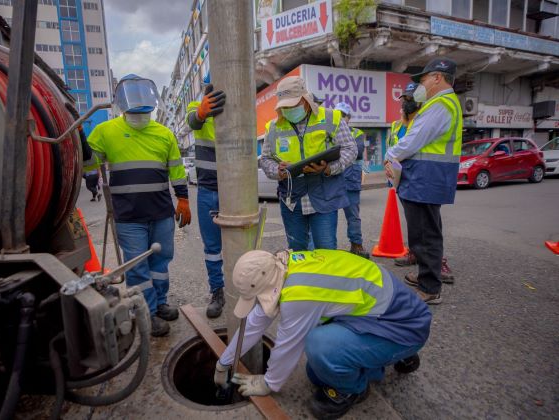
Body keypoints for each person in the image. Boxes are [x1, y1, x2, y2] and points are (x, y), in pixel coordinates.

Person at [214, 249, 431, 419]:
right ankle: (387, 354)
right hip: (388, 312)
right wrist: (223, 363)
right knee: (317, 372)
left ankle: (353, 389)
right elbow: (255, 323)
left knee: (320, 348)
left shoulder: (299, 294)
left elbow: (288, 344)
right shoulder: (285, 264)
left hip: (404, 326)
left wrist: (268, 383)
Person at [88, 74, 191, 337]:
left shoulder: (164, 134)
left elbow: (177, 171)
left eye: (146, 111)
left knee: (161, 262)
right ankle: (146, 312)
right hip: (128, 216)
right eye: (136, 111)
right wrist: (81, 148)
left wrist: (183, 199)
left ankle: (159, 303)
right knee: (137, 266)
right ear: (123, 108)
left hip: (161, 213)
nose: (141, 116)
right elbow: (89, 164)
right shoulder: (105, 131)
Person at [385, 58, 462, 305]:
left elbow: (414, 139)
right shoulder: (441, 103)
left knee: (425, 233)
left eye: (424, 78)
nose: (421, 83)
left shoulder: (440, 104)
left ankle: (430, 287)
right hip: (425, 176)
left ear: (438, 77)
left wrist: (390, 155)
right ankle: (425, 276)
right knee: (424, 230)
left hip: (426, 177)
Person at [260, 76, 357, 251]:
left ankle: (324, 279)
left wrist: (329, 168)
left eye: (293, 105)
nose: (288, 109)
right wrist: (277, 170)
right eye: (285, 106)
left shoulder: (331, 118)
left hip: (324, 195)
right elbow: (266, 159)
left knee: (326, 250)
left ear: (305, 99)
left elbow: (351, 149)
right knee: (297, 251)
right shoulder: (273, 127)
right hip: (292, 200)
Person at [389, 83, 455, 283]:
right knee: (415, 224)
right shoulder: (396, 125)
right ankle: (416, 254)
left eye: (410, 99)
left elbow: (410, 146)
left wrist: (390, 157)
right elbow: (394, 146)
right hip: (403, 179)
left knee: (429, 225)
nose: (406, 103)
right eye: (404, 99)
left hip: (423, 179)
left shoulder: (423, 120)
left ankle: (436, 264)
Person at [186, 76, 227, 318]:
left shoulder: (241, 107)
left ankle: (244, 289)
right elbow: (193, 121)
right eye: (209, 88)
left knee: (241, 246)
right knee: (212, 248)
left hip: (237, 191)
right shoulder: (196, 106)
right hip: (209, 190)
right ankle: (218, 291)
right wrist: (202, 113)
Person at [334, 102, 369, 259]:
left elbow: (359, 151)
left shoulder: (357, 133)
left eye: (343, 115)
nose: (340, 118)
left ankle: (357, 244)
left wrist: (338, 149)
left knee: (353, 215)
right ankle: (328, 248)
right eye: (337, 114)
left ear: (348, 118)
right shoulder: (329, 132)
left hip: (351, 179)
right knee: (328, 215)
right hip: (332, 179)